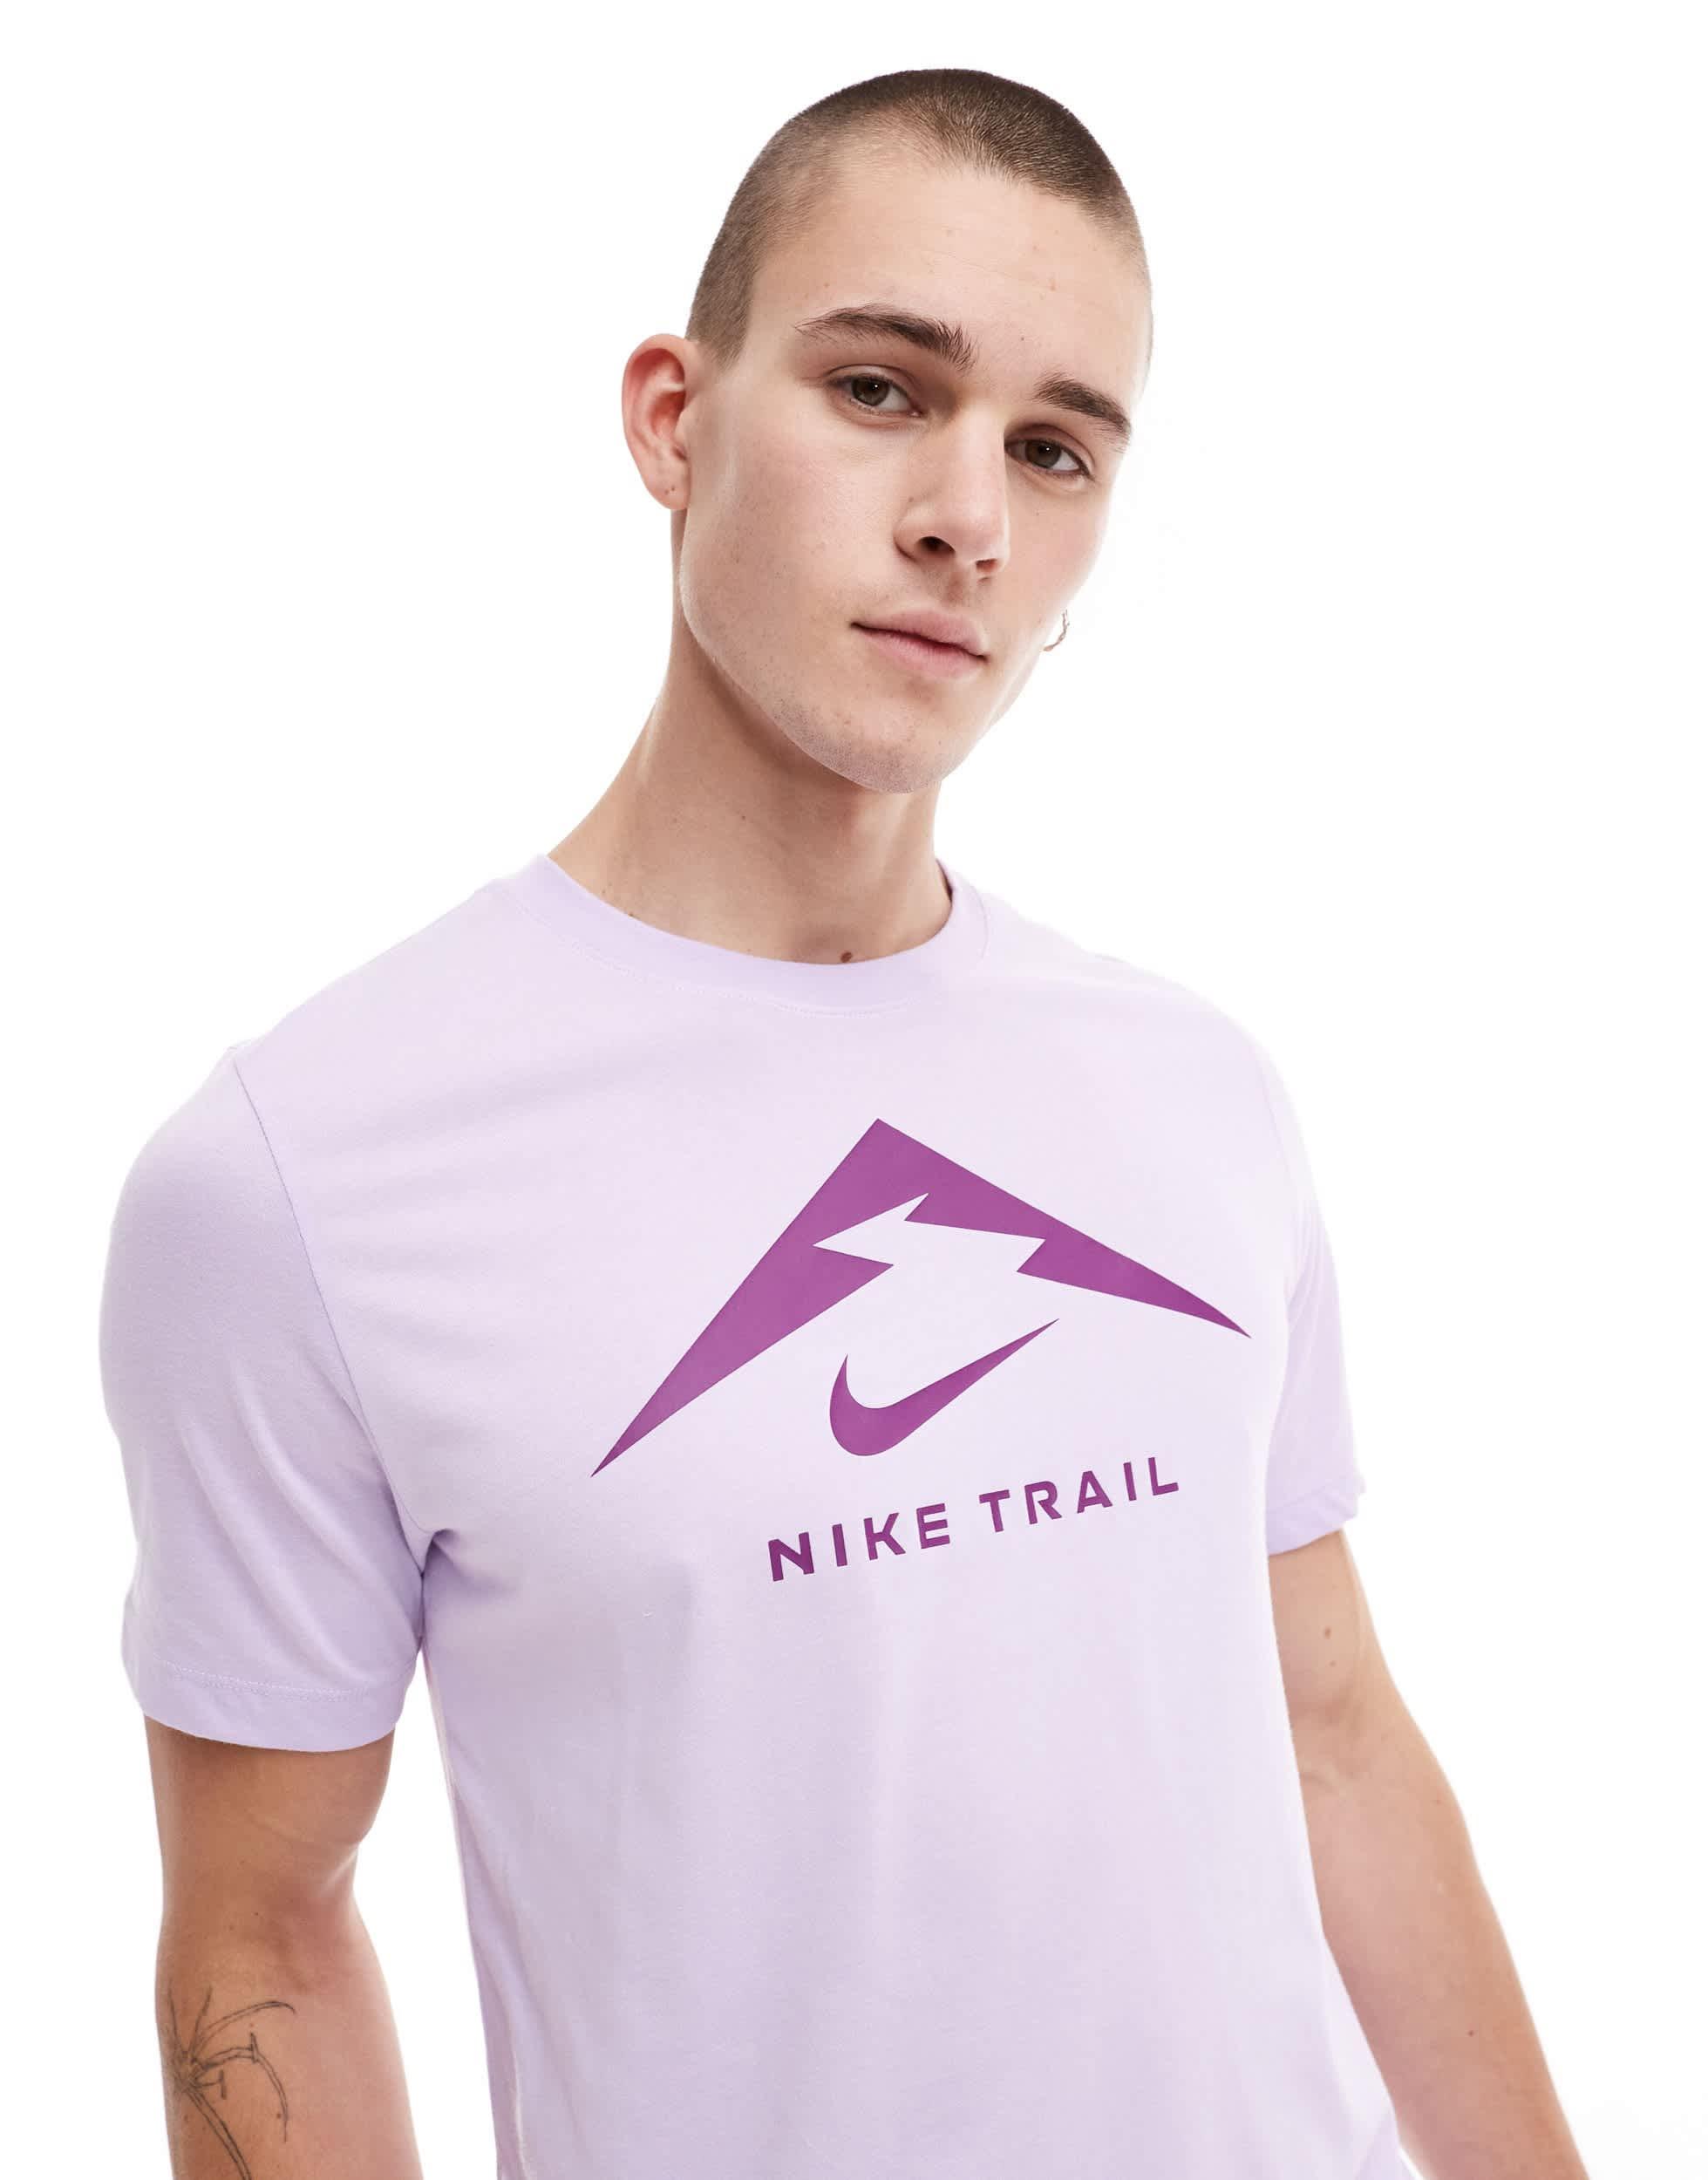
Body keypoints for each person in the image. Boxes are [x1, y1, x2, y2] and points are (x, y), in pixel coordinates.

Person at [99, 65, 1589, 2180]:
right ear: (671, 417)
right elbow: (260, 1927)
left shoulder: (1190, 1089)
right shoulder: (299, 1176)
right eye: (883, 389)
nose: (967, 515)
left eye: (1052, 448)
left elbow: (1332, 1735)